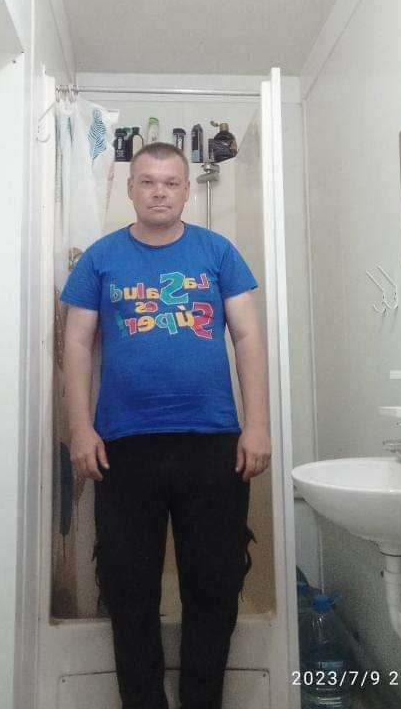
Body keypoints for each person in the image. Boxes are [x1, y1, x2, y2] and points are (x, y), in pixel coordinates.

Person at [61, 141, 271, 709]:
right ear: (130, 189)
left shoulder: (218, 251)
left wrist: (257, 425)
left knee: (216, 586)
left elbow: (248, 336)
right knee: (129, 591)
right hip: (123, 446)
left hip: (213, 443)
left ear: (186, 191)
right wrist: (80, 429)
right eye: (148, 182)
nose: (159, 192)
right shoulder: (100, 258)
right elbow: (76, 344)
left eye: (171, 182)